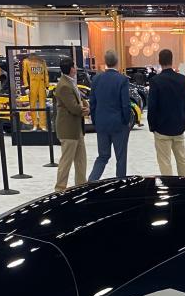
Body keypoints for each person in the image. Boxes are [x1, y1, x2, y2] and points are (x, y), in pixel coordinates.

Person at [88, 49, 132, 182]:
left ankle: (91, 182)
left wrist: (96, 121)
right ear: (117, 62)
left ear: (105, 62)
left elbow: (92, 103)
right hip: (119, 124)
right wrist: (126, 121)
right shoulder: (122, 79)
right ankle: (121, 185)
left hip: (102, 124)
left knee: (102, 156)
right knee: (121, 158)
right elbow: (125, 104)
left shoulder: (96, 79)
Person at [147, 48, 185, 177]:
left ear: (159, 61)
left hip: (161, 129)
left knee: (165, 162)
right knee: (182, 159)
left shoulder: (155, 81)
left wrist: (152, 126)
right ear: (172, 61)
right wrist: (183, 122)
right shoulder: (182, 79)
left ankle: (169, 187)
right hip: (178, 127)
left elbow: (152, 107)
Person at [52, 56, 88, 192]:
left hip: (76, 128)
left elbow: (78, 100)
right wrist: (85, 110)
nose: (76, 68)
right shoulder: (64, 86)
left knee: (81, 160)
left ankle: (81, 185)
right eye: (75, 66)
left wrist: (85, 105)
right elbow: (73, 107)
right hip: (68, 130)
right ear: (71, 68)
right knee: (66, 161)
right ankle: (60, 189)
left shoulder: (70, 82)